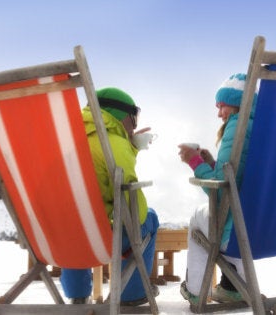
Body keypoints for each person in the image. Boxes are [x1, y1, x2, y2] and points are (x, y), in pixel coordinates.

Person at [60, 87, 160, 306]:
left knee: (72, 221)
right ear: (120, 115)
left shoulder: (64, 138)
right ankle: (131, 295)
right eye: (134, 119)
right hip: (99, 239)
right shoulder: (115, 144)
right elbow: (134, 212)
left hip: (56, 238)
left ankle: (77, 295)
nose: (134, 126)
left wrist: (130, 147)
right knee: (149, 217)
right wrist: (129, 148)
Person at [177, 73, 257, 304]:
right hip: (269, 227)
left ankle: (195, 290)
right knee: (234, 214)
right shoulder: (266, 126)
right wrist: (212, 165)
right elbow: (238, 178)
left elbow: (221, 192)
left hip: (238, 232)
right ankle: (232, 287)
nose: (219, 113)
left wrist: (194, 162)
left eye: (222, 106)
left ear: (238, 103)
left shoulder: (238, 126)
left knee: (200, 217)